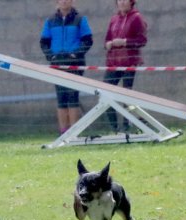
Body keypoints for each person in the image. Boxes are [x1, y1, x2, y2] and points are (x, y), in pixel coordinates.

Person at [40, 0, 93, 135]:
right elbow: (44, 42)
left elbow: (88, 40)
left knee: (72, 96)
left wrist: (76, 54)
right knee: (61, 97)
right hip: (57, 64)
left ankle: (74, 132)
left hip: (75, 64)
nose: (64, 1)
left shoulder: (80, 19)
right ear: (57, 2)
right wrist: (51, 56)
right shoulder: (50, 20)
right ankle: (63, 132)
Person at [103, 0, 148, 133]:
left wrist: (125, 42)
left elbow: (142, 40)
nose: (122, 3)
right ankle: (115, 128)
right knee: (105, 93)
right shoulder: (114, 19)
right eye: (119, 0)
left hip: (129, 61)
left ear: (131, 2)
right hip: (113, 62)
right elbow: (106, 40)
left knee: (126, 95)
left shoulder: (137, 18)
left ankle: (127, 125)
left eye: (125, 0)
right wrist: (109, 44)